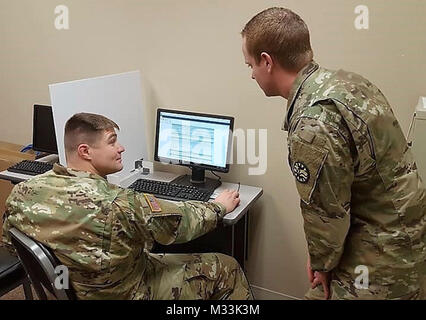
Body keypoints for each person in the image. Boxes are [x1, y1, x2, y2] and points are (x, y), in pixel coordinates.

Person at [241, 7, 425, 300]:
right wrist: (322, 256)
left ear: (267, 61)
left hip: (387, 260)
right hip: (408, 234)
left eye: (249, 64)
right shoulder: (348, 82)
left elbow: (327, 214)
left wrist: (322, 263)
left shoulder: (313, 123)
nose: (251, 74)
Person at [2, 112, 253, 300]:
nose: (121, 147)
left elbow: (11, 246)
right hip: (126, 294)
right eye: (112, 142)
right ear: (85, 151)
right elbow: (182, 223)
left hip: (67, 290)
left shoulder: (24, 191)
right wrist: (219, 207)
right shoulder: (119, 203)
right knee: (226, 267)